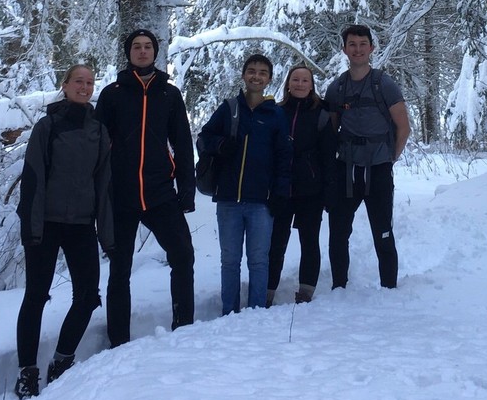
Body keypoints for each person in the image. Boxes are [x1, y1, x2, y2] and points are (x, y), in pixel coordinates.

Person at [15, 64, 114, 400]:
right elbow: (33, 178)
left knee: (88, 297)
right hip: (47, 224)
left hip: (82, 224)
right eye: (78, 82)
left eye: (89, 82)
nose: (84, 87)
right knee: (36, 296)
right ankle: (27, 372)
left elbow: (103, 185)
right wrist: (31, 227)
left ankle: (61, 362)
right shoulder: (48, 126)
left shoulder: (99, 131)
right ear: (65, 85)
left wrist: (107, 232)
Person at [96, 28, 196, 343]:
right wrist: (99, 194)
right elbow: (97, 147)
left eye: (148, 46)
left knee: (183, 255)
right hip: (122, 196)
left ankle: (184, 326)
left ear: (155, 52)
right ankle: (118, 339)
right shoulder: (112, 94)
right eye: (136, 47)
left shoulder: (169, 94)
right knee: (119, 270)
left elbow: (182, 143)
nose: (142, 51)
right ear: (129, 53)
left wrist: (187, 190)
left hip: (160, 192)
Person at [198, 53, 292, 314]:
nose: (256, 76)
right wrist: (219, 145)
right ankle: (229, 311)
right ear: (243, 75)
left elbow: (284, 157)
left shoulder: (275, 115)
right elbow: (203, 138)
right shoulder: (229, 108)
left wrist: (280, 192)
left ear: (270, 79)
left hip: (261, 201)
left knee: (259, 260)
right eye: (252, 71)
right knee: (230, 260)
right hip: (228, 199)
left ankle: (256, 312)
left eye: (262, 72)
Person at [324, 24, 410, 290]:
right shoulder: (337, 87)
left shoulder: (383, 83)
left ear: (371, 48)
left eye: (363, 44)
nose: (358, 49)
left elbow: (403, 127)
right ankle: (339, 287)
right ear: (344, 49)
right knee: (338, 232)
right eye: (352, 44)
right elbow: (331, 129)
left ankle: (389, 288)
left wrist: (389, 158)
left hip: (378, 168)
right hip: (346, 168)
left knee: (382, 231)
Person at [266, 64, 336, 306]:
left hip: (311, 190)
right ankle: (267, 292)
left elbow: (329, 156)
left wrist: (328, 191)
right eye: (295, 79)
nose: (299, 84)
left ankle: (306, 292)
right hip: (281, 189)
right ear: (288, 83)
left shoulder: (321, 114)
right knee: (276, 243)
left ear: (311, 85)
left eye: (304, 80)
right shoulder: (276, 111)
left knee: (309, 241)